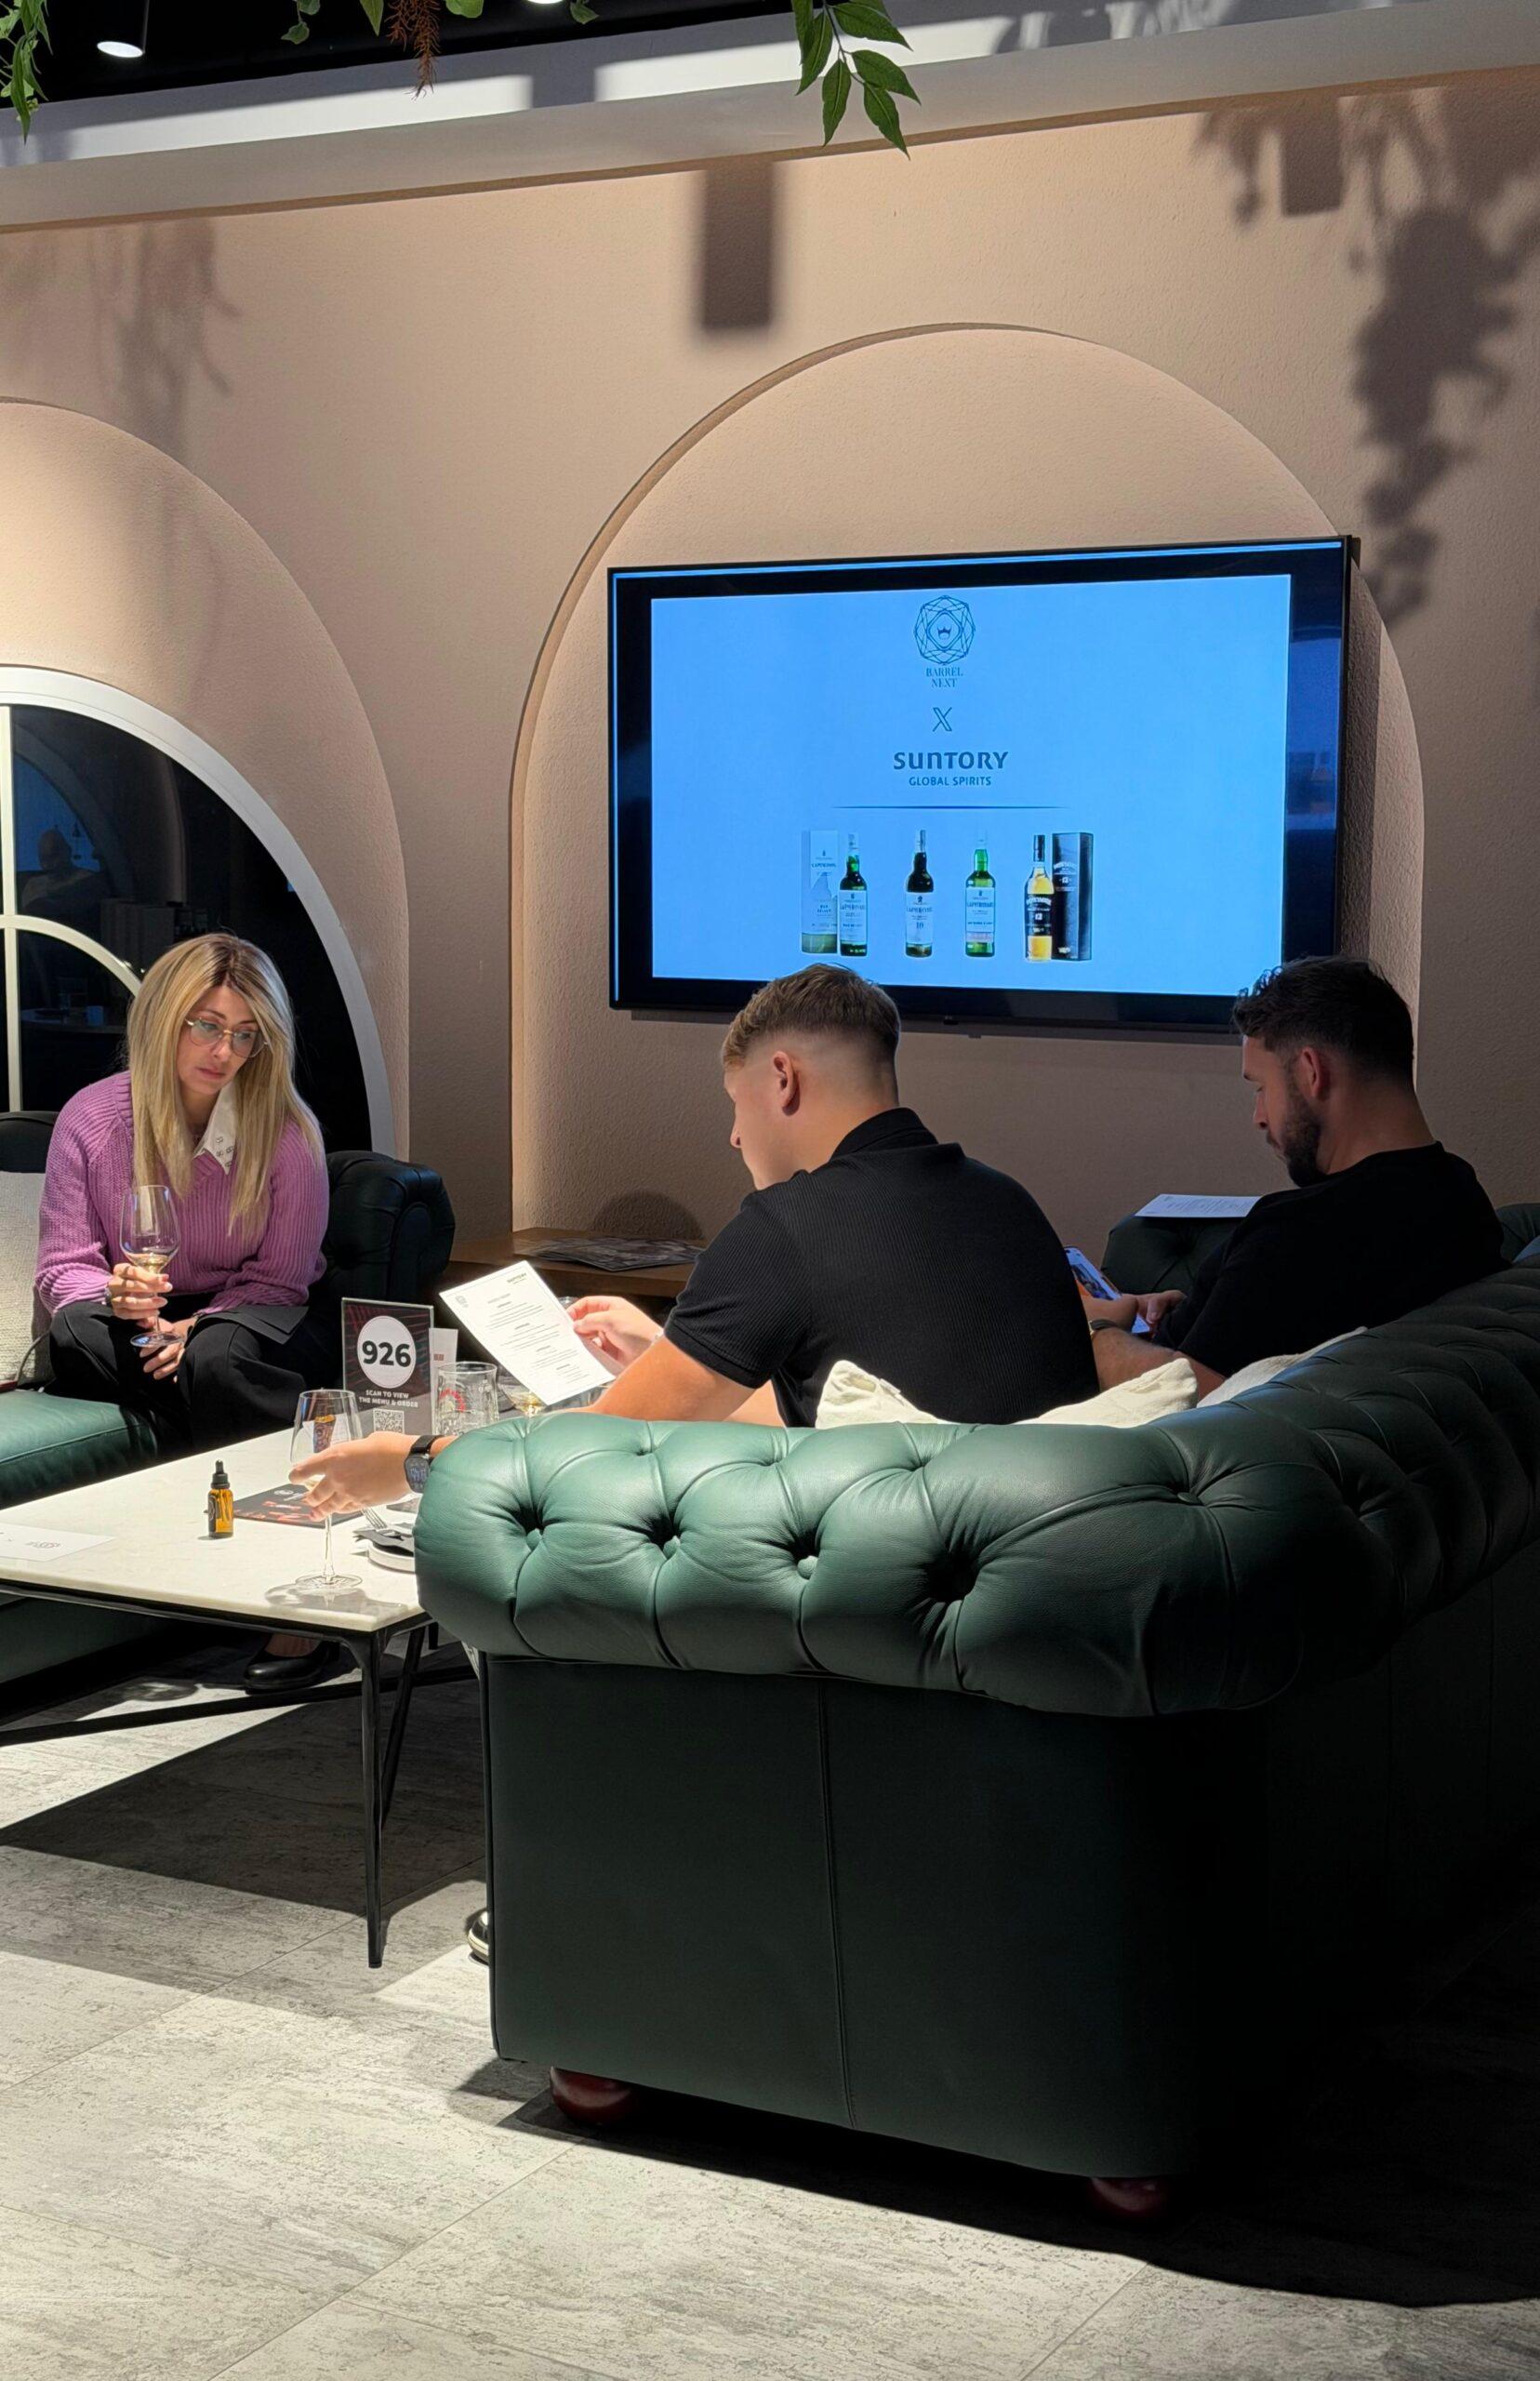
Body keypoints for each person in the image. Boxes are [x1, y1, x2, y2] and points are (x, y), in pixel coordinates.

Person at [293, 960, 1095, 1487]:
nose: (736, 1137)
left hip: (874, 1608)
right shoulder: (1010, 1203)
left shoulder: (786, 1227)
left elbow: (597, 1448)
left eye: (736, 1105)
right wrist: (663, 1353)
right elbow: (854, 1410)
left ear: (782, 1079)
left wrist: (414, 1461)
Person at [37, 932, 340, 1692]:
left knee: (222, 1356)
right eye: (206, 1025)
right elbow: (64, 1267)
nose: (224, 1051)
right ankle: (211, 1465)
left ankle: (303, 1599)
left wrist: (196, 1328)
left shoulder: (286, 1130)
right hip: (137, 1315)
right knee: (75, 1334)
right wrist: (116, 1298)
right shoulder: (92, 1119)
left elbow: (281, 1277)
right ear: (163, 1019)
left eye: (245, 1034)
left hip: (255, 1310)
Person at [1085, 957, 1502, 1398]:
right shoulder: (1462, 1195)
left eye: (1261, 1088)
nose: (1259, 1116)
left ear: (1310, 1072)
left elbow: (1183, 1394)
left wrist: (1096, 1329)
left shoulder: (1301, 1234)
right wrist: (1191, 1315)